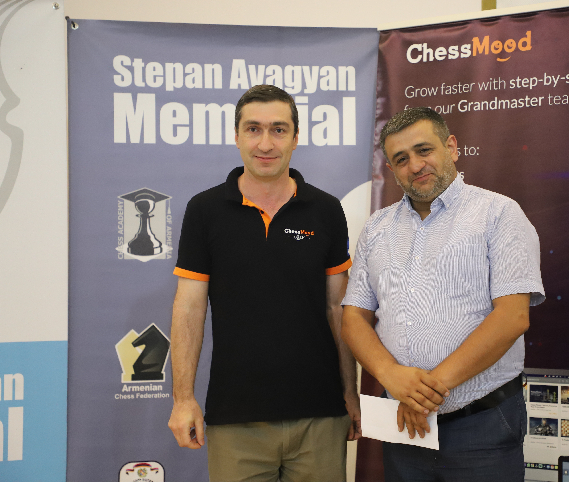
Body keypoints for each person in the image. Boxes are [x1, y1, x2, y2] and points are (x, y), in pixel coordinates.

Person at [168, 84, 361, 482]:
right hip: (235, 419)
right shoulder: (204, 210)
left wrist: (350, 391)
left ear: (295, 137)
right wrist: (183, 399)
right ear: (237, 136)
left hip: (320, 416)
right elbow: (189, 307)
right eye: (253, 129)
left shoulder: (326, 210)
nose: (266, 143)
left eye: (278, 129)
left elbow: (338, 308)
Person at [341, 107, 544, 481]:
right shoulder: (377, 228)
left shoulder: (499, 214)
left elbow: (512, 317)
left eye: (424, 150)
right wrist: (391, 375)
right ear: (391, 169)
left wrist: (425, 393)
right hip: (403, 424)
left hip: (481, 424)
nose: (416, 165)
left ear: (451, 147)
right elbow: (354, 316)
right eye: (401, 159)